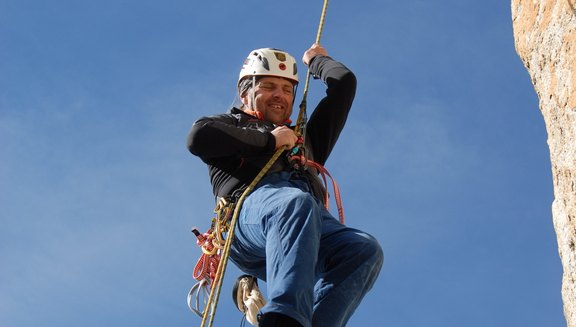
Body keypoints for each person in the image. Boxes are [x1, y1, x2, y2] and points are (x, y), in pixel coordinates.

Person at [187, 44, 383, 327]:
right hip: (250, 218)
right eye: (268, 86)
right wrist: (270, 141)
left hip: (304, 225)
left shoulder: (304, 141)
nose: (279, 95)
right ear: (245, 93)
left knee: (363, 249)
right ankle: (284, 320)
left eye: (287, 89)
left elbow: (344, 84)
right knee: (294, 203)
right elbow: (198, 137)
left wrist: (318, 61)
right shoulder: (231, 125)